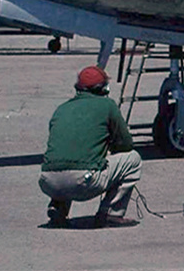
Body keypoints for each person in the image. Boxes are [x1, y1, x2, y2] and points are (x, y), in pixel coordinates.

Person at [38, 65, 142, 228]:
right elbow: (126, 144)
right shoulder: (107, 105)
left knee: (69, 157)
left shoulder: (61, 108)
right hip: (84, 181)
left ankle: (57, 207)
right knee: (133, 159)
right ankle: (110, 214)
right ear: (103, 88)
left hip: (47, 181)